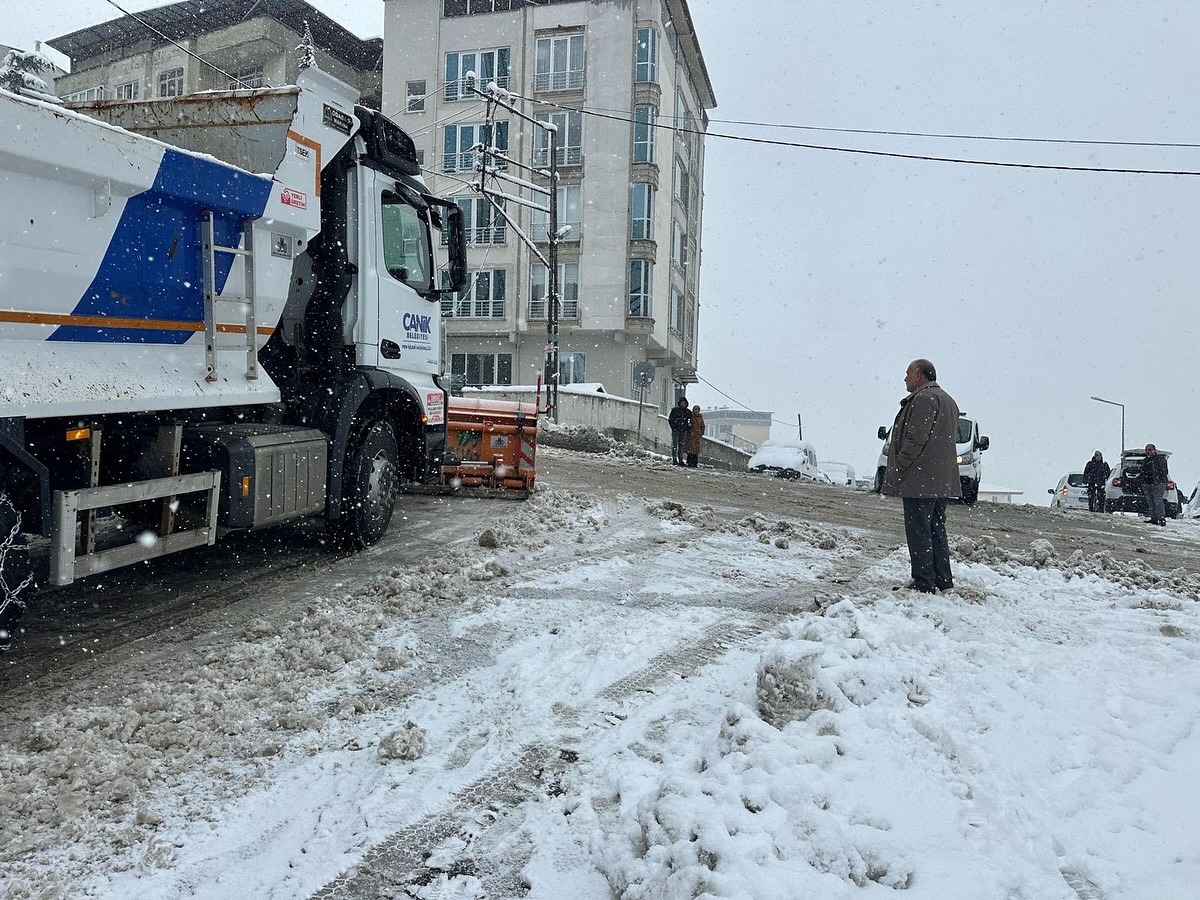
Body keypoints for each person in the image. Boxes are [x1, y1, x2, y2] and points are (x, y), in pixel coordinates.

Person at [881, 359, 961, 593]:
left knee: (919, 529)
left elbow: (916, 439)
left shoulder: (924, 399)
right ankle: (942, 579)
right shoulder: (948, 400)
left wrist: (899, 466)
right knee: (936, 528)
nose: (904, 378)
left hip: (921, 479)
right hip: (939, 479)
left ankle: (924, 581)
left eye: (907, 373)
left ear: (918, 376)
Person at [1140, 443, 1170, 526]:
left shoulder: (1160, 459)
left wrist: (1158, 478)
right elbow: (1142, 471)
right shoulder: (1145, 460)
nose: (1147, 451)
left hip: (1158, 483)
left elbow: (1164, 471)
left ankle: (1161, 519)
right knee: (1150, 501)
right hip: (1147, 483)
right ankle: (1154, 518)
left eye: (1149, 450)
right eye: (1146, 450)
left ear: (1154, 450)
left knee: (1157, 500)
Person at [668, 397, 691, 466]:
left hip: (683, 431)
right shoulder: (675, 410)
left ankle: (680, 460)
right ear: (679, 403)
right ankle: (674, 460)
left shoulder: (688, 412)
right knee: (675, 445)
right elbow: (671, 419)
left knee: (681, 447)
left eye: (684, 403)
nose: (683, 404)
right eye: (682, 403)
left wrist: (687, 429)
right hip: (676, 431)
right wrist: (674, 428)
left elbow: (690, 422)